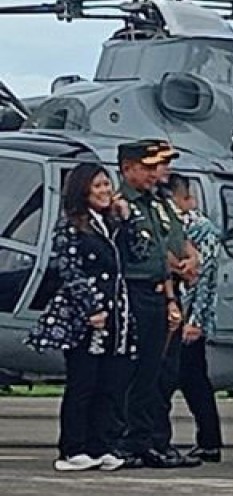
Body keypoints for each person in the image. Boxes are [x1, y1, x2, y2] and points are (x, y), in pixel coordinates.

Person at [26, 163, 136, 472]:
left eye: (106, 185)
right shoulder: (71, 225)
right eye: (97, 186)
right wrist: (91, 308)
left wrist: (126, 220)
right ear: (82, 189)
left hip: (116, 312)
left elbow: (135, 253)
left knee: (110, 383)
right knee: (83, 382)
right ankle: (73, 448)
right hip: (85, 316)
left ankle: (100, 444)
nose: (104, 191)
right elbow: (69, 269)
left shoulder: (109, 224)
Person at [115, 140, 199, 469]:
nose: (157, 173)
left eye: (160, 166)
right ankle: (131, 440)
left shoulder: (161, 202)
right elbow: (142, 248)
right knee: (136, 372)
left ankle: (154, 439)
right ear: (128, 168)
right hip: (140, 291)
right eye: (149, 167)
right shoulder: (121, 204)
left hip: (168, 291)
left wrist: (192, 258)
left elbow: (176, 238)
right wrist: (173, 270)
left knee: (163, 372)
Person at [166, 173, 225, 463]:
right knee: (169, 378)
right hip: (170, 313)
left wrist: (196, 321)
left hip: (188, 315)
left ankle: (210, 440)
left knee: (194, 380)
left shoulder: (202, 229)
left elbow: (207, 277)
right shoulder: (169, 224)